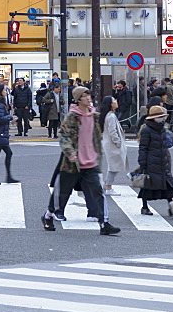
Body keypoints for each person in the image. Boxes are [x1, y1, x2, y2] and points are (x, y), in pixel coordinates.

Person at [49, 86, 120, 235]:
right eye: (85, 96)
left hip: (91, 161)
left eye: (89, 95)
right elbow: (63, 136)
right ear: (78, 99)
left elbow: (95, 138)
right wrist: (70, 153)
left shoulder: (94, 116)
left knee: (98, 192)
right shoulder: (72, 116)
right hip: (73, 162)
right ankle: (48, 215)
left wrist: (98, 155)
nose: (89, 98)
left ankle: (104, 223)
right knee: (62, 191)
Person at [137, 104, 173, 216]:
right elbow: (143, 148)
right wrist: (142, 162)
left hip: (161, 161)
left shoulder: (162, 129)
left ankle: (171, 207)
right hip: (151, 161)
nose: (162, 119)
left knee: (166, 185)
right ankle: (145, 207)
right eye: (160, 117)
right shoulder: (147, 130)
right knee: (147, 186)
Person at [100, 96, 127, 194]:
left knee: (114, 166)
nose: (116, 101)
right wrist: (118, 142)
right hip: (112, 144)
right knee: (114, 167)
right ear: (110, 104)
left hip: (110, 143)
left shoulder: (109, 115)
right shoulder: (110, 116)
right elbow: (113, 131)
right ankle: (108, 187)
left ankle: (106, 185)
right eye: (114, 100)